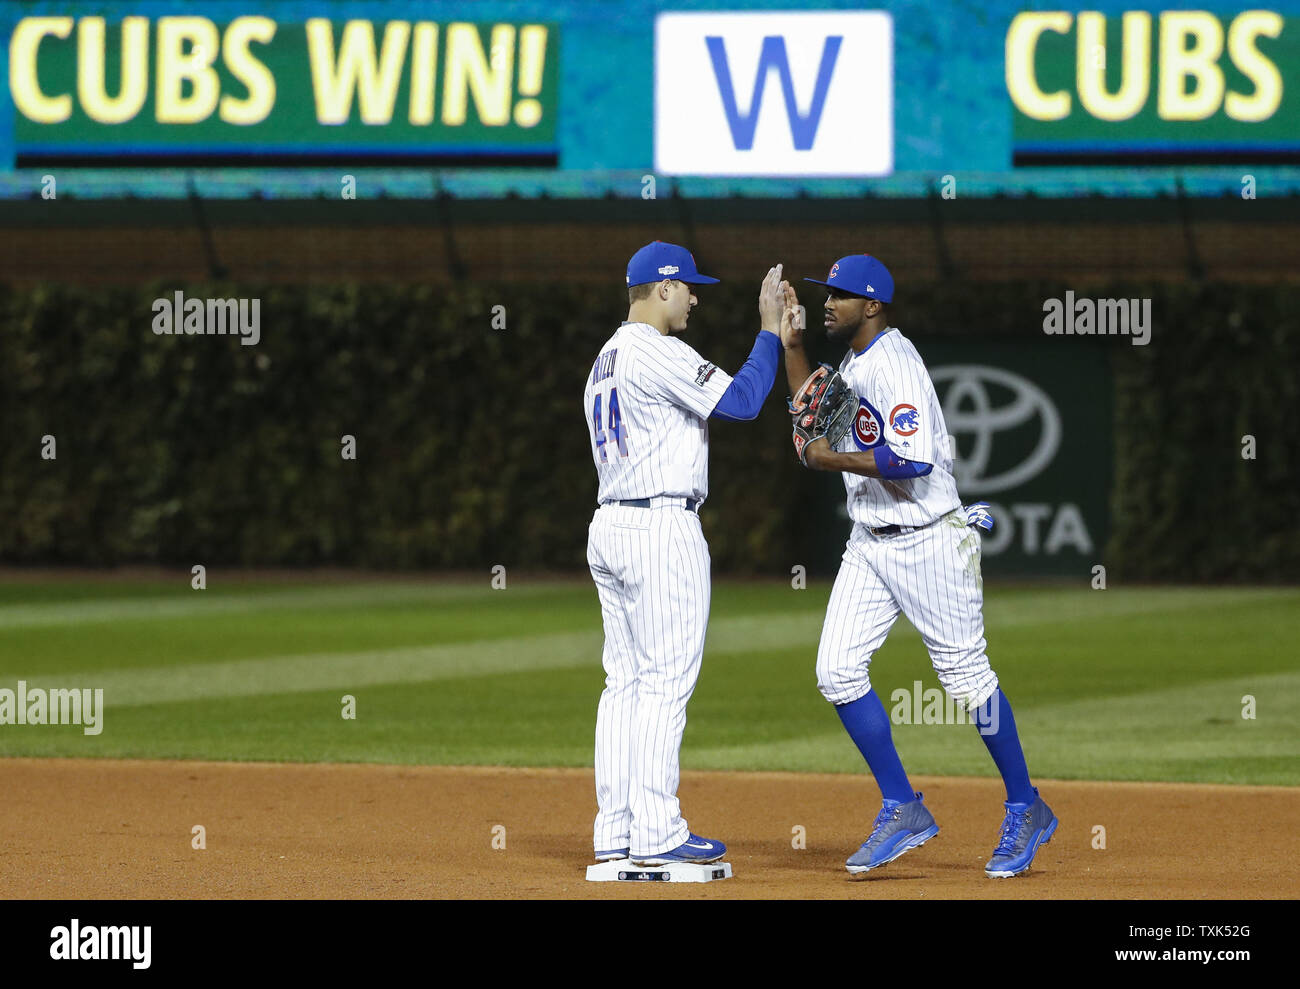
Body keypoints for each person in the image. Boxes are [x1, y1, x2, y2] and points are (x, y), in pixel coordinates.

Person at [781, 254, 1058, 878]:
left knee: (965, 678)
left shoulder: (897, 367)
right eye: (827, 293)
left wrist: (831, 462)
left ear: (872, 304)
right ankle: (903, 805)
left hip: (930, 540)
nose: (827, 301)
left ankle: (1026, 805)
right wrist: (790, 341)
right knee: (836, 670)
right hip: (871, 542)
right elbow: (808, 411)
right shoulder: (856, 362)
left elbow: (913, 464)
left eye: (840, 295)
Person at [583, 241, 792, 867]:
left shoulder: (606, 356)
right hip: (659, 529)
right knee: (665, 684)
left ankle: (615, 828)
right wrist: (769, 333)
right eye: (690, 287)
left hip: (610, 524)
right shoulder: (655, 349)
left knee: (623, 684)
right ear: (664, 286)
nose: (696, 297)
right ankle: (657, 831)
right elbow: (743, 402)